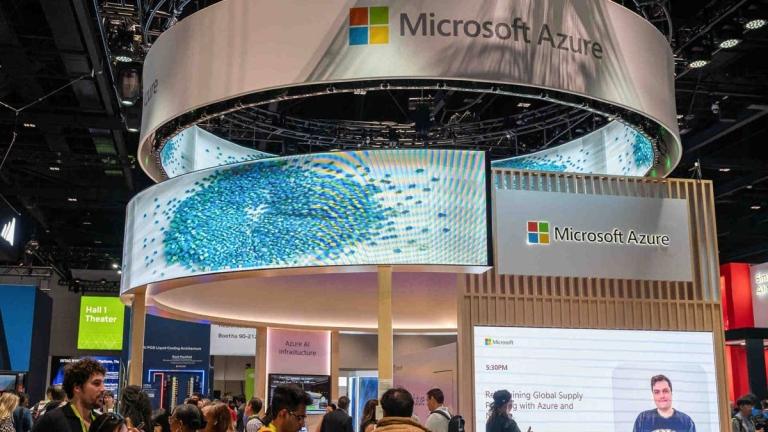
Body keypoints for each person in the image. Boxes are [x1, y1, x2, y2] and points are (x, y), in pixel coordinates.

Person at [32, 358, 106, 432]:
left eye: (103, 383)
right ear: (77, 387)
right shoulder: (51, 421)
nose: (103, 389)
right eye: (96, 383)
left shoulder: (102, 422)